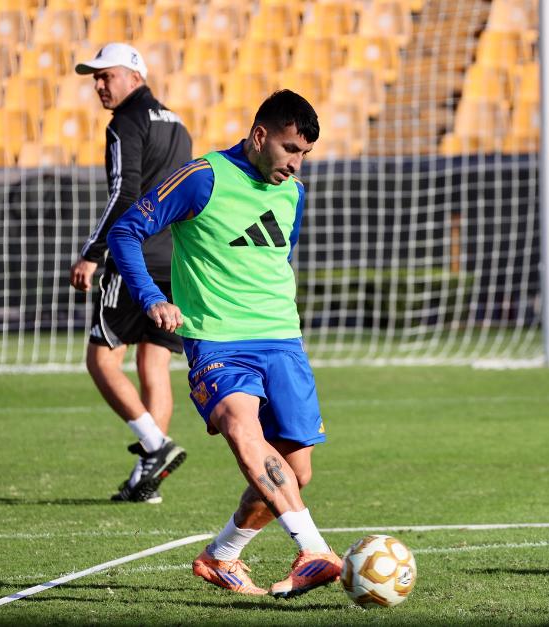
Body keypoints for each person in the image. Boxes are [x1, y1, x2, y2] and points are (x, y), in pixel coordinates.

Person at [107, 90, 340, 598]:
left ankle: (222, 556)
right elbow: (126, 231)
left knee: (295, 471)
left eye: (304, 154)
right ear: (260, 136)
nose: (295, 164)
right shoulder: (203, 177)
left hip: (282, 339)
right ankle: (314, 549)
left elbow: (277, 260)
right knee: (241, 426)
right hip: (217, 342)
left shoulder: (292, 193)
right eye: (289, 149)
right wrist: (151, 298)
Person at [69, 43, 191, 504]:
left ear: (135, 76)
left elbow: (125, 194)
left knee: (101, 361)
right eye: (95, 78)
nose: (99, 85)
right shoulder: (177, 122)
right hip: (174, 260)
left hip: (133, 257)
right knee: (153, 366)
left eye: (107, 76)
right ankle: (148, 481)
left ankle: (155, 445)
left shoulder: (125, 122)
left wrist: (92, 252)